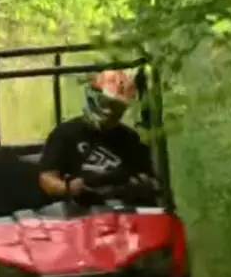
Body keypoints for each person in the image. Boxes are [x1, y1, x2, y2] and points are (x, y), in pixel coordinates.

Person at [38, 69, 157, 200]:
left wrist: (142, 185)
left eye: (118, 107)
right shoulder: (65, 133)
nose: (112, 111)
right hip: (77, 208)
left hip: (121, 207)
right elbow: (47, 178)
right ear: (94, 98)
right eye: (109, 104)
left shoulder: (129, 138)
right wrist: (67, 188)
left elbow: (144, 175)